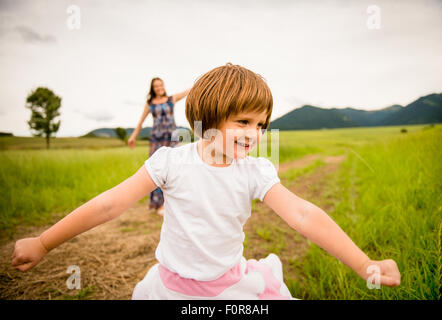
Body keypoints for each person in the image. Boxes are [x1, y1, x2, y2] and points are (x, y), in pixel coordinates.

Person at [11, 63, 401, 300]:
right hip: (170, 287)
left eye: (262, 124)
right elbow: (110, 204)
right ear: (210, 118)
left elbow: (301, 214)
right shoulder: (170, 163)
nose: (255, 133)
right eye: (244, 121)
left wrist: (364, 263)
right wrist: (44, 243)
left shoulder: (255, 171)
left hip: (229, 287)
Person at [128, 77, 190, 216]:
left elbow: (188, 91)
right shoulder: (150, 104)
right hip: (157, 139)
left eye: (160, 85)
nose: (159, 87)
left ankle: (175, 203)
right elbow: (140, 121)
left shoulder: (171, 99)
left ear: (163, 85)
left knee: (176, 168)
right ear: (153, 88)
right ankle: (158, 204)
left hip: (172, 138)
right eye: (156, 86)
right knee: (157, 169)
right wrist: (133, 136)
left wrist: (202, 81)